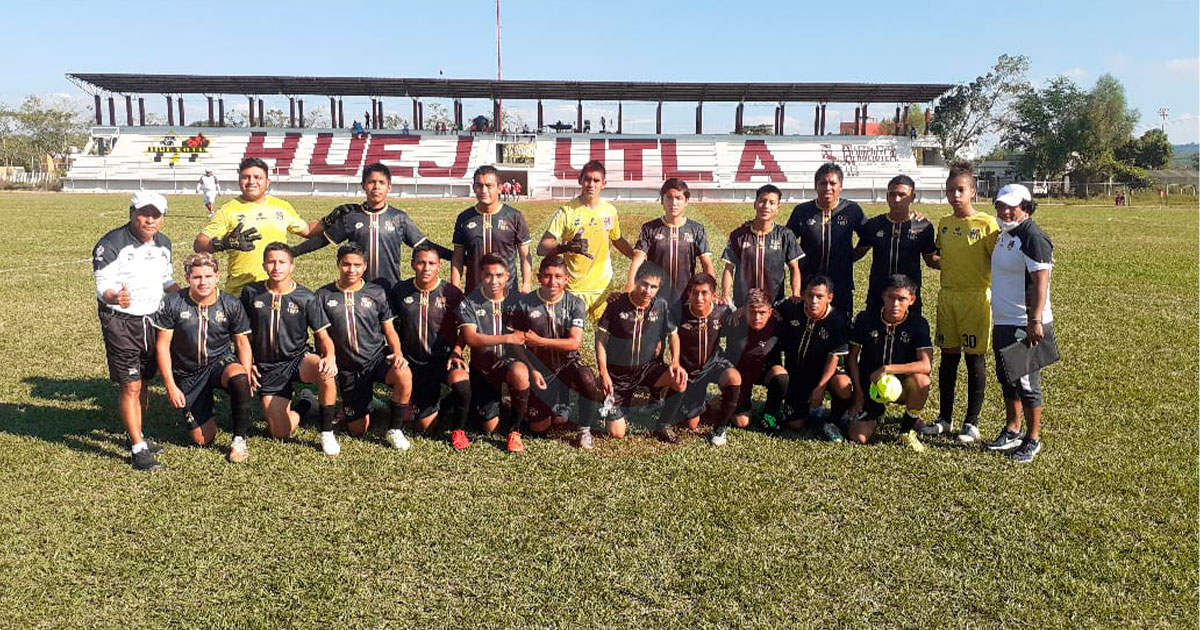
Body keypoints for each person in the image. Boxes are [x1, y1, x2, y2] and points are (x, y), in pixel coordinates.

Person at [93, 191, 179, 470]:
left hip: (153, 320)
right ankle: (137, 447)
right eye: (144, 214)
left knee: (144, 380)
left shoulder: (164, 243)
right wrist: (115, 297)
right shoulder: (111, 244)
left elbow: (167, 281)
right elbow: (103, 287)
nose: (150, 220)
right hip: (121, 322)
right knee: (130, 384)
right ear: (132, 213)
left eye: (156, 215)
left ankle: (137, 433)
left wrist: (188, 295)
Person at [919, 163, 998, 443]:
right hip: (948, 296)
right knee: (948, 358)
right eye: (950, 190)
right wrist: (921, 237)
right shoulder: (945, 223)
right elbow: (937, 259)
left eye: (960, 190)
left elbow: (999, 260)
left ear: (972, 191)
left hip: (976, 297)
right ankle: (945, 418)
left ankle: (971, 423)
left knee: (974, 358)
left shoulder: (987, 224)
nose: (955, 195)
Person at [153, 253, 256, 463]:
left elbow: (242, 344)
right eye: (197, 277)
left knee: (239, 378)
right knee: (202, 440)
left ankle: (239, 440)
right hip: (188, 371)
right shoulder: (173, 302)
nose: (203, 282)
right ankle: (206, 409)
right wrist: (171, 386)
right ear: (187, 278)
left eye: (208, 276)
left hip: (219, 362)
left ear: (217, 276)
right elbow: (162, 347)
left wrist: (246, 378)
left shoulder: (230, 303)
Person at [239, 243, 339, 451]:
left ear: (291, 266)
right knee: (280, 433)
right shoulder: (251, 292)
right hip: (267, 368)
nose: (276, 267)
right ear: (264, 265)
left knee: (326, 373)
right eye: (271, 262)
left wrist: (329, 356)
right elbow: (242, 335)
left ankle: (327, 433)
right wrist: (248, 363)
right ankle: (305, 404)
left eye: (282, 262)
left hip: (297, 360)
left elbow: (323, 335)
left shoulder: (306, 297)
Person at [315, 244, 414, 453]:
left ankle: (395, 429)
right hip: (348, 367)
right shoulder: (323, 295)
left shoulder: (376, 292)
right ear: (338, 264)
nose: (351, 270)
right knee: (357, 430)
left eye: (357, 265)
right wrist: (329, 356)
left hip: (376, 360)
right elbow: (321, 335)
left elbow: (389, 329)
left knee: (404, 373)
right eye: (346, 264)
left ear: (365, 266)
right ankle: (366, 402)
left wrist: (397, 353)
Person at [294, 163, 449, 292]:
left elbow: (424, 245)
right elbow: (322, 240)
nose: (376, 187)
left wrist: (455, 256)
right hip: (358, 289)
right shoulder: (351, 217)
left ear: (389, 187)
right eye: (371, 182)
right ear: (363, 185)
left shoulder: (398, 218)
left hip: (390, 288)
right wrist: (292, 252)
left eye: (381, 183)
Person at [987, 184, 1056, 463]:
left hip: (1024, 321)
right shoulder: (1006, 233)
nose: (1005, 211)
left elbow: (1041, 282)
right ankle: (1013, 429)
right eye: (1001, 206)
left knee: (1026, 383)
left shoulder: (1032, 236)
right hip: (1003, 319)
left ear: (1026, 207)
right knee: (1007, 378)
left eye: (1011, 207)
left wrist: (1035, 320)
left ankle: (1032, 438)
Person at [195, 157, 323, 295]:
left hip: (275, 291)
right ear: (239, 180)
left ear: (267, 182)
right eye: (246, 177)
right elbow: (199, 244)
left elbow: (308, 230)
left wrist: (331, 219)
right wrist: (222, 243)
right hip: (240, 293)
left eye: (257, 177)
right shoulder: (228, 210)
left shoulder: (281, 207)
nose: (251, 181)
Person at [389, 242, 473, 450]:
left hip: (444, 360)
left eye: (432, 263)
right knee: (425, 428)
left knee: (462, 382)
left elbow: (465, 328)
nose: (426, 268)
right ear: (412, 264)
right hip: (414, 363)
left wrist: (456, 351)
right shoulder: (400, 290)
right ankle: (430, 406)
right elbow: (390, 326)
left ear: (439, 266)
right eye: (421, 263)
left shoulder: (451, 293)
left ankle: (459, 430)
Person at [512, 256, 602, 449]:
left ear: (566, 279)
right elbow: (516, 343)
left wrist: (540, 341)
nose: (553, 281)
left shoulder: (575, 303)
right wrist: (531, 370)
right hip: (540, 368)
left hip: (567, 363)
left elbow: (574, 343)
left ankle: (584, 430)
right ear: (539, 277)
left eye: (558, 276)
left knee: (587, 379)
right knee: (538, 429)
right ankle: (532, 403)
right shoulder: (524, 303)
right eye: (547, 276)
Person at [595, 265, 686, 440]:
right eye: (644, 284)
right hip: (619, 375)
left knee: (679, 380)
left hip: (647, 369)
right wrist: (603, 372)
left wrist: (675, 362)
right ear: (636, 281)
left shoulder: (661, 305)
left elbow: (673, 335)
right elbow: (600, 340)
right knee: (617, 433)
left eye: (654, 287)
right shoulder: (616, 304)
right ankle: (607, 400)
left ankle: (663, 425)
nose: (648, 291)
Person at [537, 160, 636, 319]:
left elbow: (616, 239)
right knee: (571, 333)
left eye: (596, 180)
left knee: (605, 332)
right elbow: (542, 248)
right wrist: (566, 246)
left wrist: (635, 256)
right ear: (580, 181)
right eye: (587, 179)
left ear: (603, 184)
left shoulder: (609, 211)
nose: (591, 184)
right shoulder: (567, 211)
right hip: (574, 287)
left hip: (602, 287)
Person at [845, 274, 933, 451]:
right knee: (858, 437)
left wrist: (887, 369)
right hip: (870, 386)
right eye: (891, 297)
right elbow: (852, 358)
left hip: (901, 386)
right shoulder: (866, 319)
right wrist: (859, 392)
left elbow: (926, 365)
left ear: (912, 300)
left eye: (902, 299)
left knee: (922, 380)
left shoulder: (918, 324)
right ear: (883, 296)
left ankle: (906, 430)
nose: (895, 304)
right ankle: (875, 412)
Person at [457, 254, 533, 453]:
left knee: (520, 373)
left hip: (509, 364)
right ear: (481, 275)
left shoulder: (518, 301)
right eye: (488, 275)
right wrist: (507, 338)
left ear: (507, 276)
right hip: (483, 369)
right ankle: (500, 405)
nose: (494, 281)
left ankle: (515, 431)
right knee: (491, 429)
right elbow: (471, 338)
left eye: (499, 275)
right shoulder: (470, 302)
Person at [659, 273, 742, 446]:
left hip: (714, 364)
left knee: (734, 377)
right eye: (695, 293)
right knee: (692, 424)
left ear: (714, 295)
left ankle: (720, 429)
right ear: (689, 294)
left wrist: (742, 310)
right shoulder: (678, 312)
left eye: (704, 293)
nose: (699, 298)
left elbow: (746, 320)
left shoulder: (723, 311)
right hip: (689, 371)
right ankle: (704, 406)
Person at [774, 275, 853, 439]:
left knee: (843, 385)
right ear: (803, 295)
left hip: (826, 374)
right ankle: (811, 410)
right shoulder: (791, 308)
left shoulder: (837, 322)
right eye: (810, 295)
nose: (813, 301)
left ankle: (834, 420)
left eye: (819, 296)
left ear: (829, 298)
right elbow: (768, 310)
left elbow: (834, 358)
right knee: (794, 424)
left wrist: (820, 388)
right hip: (798, 374)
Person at [785, 163, 867, 316]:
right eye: (823, 183)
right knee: (807, 322)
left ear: (840, 186)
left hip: (841, 282)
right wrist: (799, 262)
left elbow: (868, 236)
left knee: (841, 324)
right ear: (815, 186)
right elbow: (787, 241)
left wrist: (851, 256)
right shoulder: (802, 211)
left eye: (833, 183)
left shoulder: (852, 210)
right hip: (809, 282)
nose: (828, 188)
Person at [854, 175, 938, 316]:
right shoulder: (874, 224)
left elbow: (930, 260)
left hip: (908, 297)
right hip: (878, 295)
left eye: (902, 195)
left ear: (912, 197)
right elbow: (857, 253)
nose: (897, 199)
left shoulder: (923, 226)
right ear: (887, 196)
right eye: (892, 194)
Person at [626, 178, 716, 304]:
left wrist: (712, 291)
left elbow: (707, 264)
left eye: (679, 198)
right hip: (655, 297)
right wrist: (630, 285)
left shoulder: (696, 229)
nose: (674, 203)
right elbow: (638, 259)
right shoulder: (649, 228)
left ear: (686, 201)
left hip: (686, 297)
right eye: (669, 197)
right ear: (662, 201)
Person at [451, 165, 533, 294]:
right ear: (474, 188)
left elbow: (525, 254)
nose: (484, 190)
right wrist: (454, 288)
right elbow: (458, 257)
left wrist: (526, 284)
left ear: (499, 188)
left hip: (507, 293)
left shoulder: (514, 216)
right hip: (474, 292)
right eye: (479, 185)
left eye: (489, 186)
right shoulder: (464, 218)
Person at [721, 184, 804, 306]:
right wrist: (725, 294)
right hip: (744, 304)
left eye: (772, 203)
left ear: (778, 208)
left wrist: (795, 293)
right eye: (762, 201)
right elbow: (729, 268)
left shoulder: (785, 235)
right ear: (755, 204)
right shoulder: (738, 235)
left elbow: (794, 268)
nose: (766, 206)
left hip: (774, 305)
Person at [723, 288, 788, 433]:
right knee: (742, 422)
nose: (757, 317)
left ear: (770, 312)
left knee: (780, 374)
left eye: (762, 312)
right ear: (744, 310)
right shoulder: (734, 322)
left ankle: (770, 415)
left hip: (765, 372)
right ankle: (731, 402)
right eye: (752, 312)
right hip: (741, 376)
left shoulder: (778, 325)